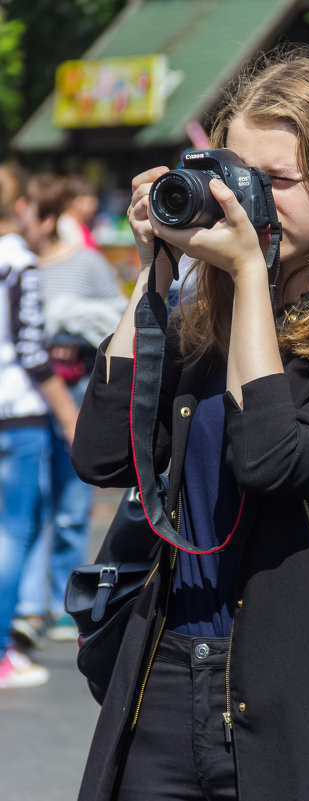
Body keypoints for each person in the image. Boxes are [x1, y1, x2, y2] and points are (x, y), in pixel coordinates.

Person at [71, 52, 309, 801]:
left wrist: (248, 276)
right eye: (235, 176)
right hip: (170, 665)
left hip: (305, 674)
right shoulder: (198, 314)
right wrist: (153, 272)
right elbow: (102, 454)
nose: (248, 203)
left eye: (276, 183)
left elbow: (276, 460)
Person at [11, 172, 126, 646]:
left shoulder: (87, 264)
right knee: (30, 507)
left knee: (72, 503)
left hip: (77, 391)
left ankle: (61, 599)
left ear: (48, 218)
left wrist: (70, 330)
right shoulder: (19, 264)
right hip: (29, 396)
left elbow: (118, 321)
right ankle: (28, 606)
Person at [0, 164, 78, 688]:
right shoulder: (18, 263)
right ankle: (3, 651)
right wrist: (70, 418)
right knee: (11, 534)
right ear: (24, 206)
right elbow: (31, 353)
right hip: (18, 415)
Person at [57, 174, 99, 250]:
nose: (93, 206)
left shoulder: (84, 224)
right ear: (72, 202)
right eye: (89, 202)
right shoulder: (64, 224)